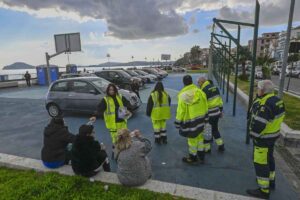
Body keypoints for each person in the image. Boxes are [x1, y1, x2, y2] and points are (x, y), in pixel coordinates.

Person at [246, 80, 285, 199]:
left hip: (262, 139)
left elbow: (259, 125)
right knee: (270, 158)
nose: (257, 90)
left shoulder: (265, 104)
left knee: (260, 163)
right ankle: (271, 181)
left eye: (258, 88)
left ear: (262, 90)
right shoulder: (278, 101)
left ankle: (263, 190)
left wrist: (252, 135)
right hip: (273, 136)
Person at [175, 75, 208, 164]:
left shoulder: (183, 95)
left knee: (192, 140)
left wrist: (177, 122)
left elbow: (180, 111)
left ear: (184, 83)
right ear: (192, 81)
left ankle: (193, 157)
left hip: (191, 122)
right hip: (201, 120)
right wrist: (206, 117)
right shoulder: (200, 92)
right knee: (200, 137)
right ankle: (201, 155)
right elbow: (205, 105)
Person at [90, 84, 131, 150]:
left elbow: (128, 104)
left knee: (124, 136)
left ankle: (124, 149)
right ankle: (115, 150)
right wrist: (94, 116)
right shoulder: (105, 99)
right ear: (107, 91)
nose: (111, 91)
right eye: (110, 90)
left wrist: (128, 110)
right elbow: (99, 109)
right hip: (112, 123)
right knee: (115, 138)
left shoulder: (120, 97)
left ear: (115, 90)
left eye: (113, 90)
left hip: (122, 120)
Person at [198, 77, 225, 153]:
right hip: (216, 112)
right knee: (215, 129)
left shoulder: (203, 90)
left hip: (209, 114)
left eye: (199, 83)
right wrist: (221, 110)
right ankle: (221, 145)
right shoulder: (215, 87)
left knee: (207, 131)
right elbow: (220, 100)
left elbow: (202, 104)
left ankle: (207, 148)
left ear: (202, 82)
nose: (198, 84)